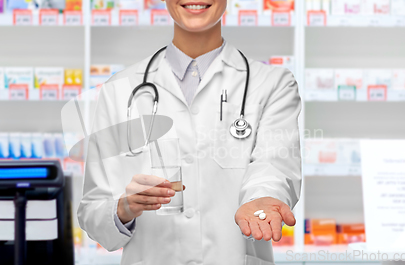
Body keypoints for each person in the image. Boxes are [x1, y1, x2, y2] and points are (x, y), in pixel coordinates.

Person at [77, 0, 302, 263]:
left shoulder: (272, 84)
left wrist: (263, 198)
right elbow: (93, 212)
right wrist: (124, 208)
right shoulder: (121, 89)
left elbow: (274, 166)